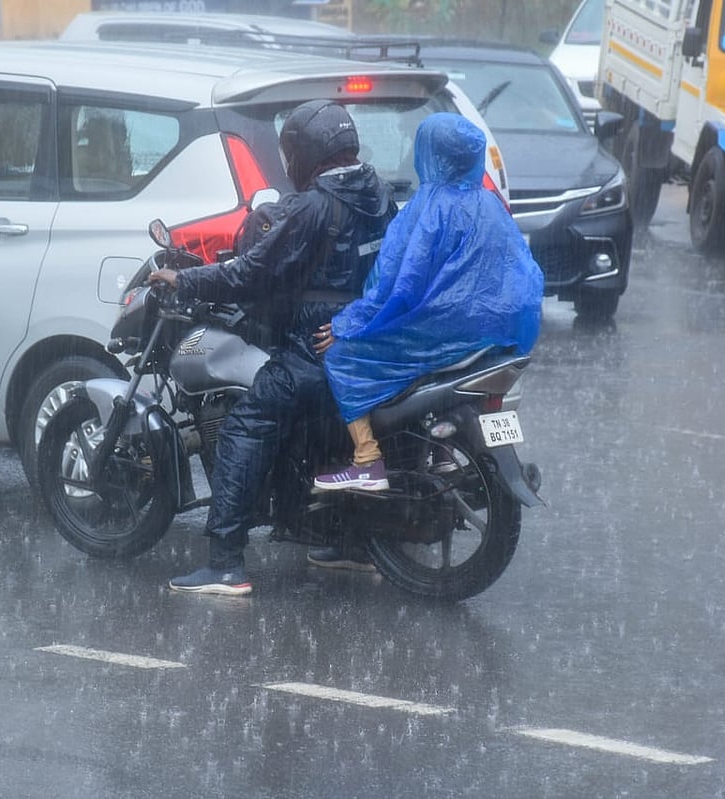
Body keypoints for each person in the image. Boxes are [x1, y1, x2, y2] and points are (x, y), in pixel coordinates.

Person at [147, 99, 396, 596]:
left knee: (247, 424)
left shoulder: (312, 207)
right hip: (363, 340)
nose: (288, 163)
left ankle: (224, 564)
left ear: (308, 152)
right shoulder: (379, 195)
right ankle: (344, 542)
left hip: (315, 342)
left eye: (290, 151)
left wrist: (187, 280)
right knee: (320, 432)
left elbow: (250, 273)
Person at [311, 113, 544, 497]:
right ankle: (441, 452)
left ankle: (367, 459)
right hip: (498, 332)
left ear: (429, 153)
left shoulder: (430, 206)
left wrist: (347, 326)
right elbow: (523, 270)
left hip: (445, 331)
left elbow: (399, 286)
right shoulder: (488, 202)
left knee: (342, 359)